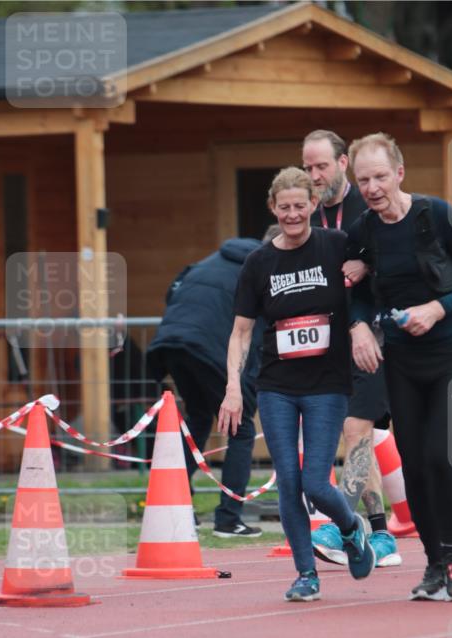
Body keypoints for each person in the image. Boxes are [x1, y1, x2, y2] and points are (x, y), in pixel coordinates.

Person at [346, 133, 452, 600]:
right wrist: (358, 327)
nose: (372, 187)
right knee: (412, 461)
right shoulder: (363, 231)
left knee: (439, 453)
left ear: (400, 173)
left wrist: (438, 308)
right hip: (401, 359)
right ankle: (433, 564)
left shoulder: (437, 215)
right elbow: (355, 292)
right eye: (363, 179)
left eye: (380, 177)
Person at [218, 166, 375, 601]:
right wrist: (234, 387)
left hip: (327, 382)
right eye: (283, 208)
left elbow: (372, 270)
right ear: (273, 208)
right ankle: (307, 573)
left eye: (299, 207)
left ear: (313, 206)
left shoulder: (336, 245)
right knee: (287, 480)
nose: (292, 215)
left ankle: (349, 527)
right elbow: (242, 332)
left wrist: (364, 266)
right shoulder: (259, 262)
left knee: (315, 482)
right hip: (277, 385)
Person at [301, 129, 400, 569]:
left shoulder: (368, 206)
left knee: (357, 429)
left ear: (343, 165)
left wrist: (368, 268)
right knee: (355, 432)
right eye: (307, 167)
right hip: (334, 341)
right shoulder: (308, 215)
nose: (314, 174)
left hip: (379, 338)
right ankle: (381, 535)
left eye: (321, 165)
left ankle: (348, 526)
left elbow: (399, 261)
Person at [146, 237, 267, 538]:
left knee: (198, 418)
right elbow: (260, 327)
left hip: (173, 341)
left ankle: (179, 506)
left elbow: (171, 293)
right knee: (241, 428)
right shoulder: (261, 268)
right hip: (209, 346)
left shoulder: (206, 262)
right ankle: (229, 519)